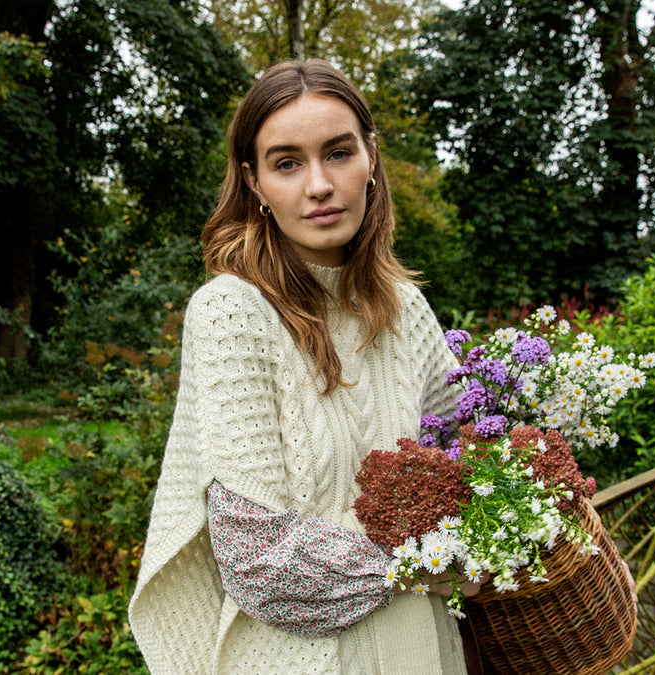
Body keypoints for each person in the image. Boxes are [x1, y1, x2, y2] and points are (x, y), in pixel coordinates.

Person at [128, 59, 478, 674]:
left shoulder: (405, 308)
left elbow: (467, 452)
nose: (319, 185)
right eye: (287, 163)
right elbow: (262, 562)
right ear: (255, 182)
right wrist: (434, 561)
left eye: (339, 153)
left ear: (371, 157)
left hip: (424, 653)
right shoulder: (230, 314)